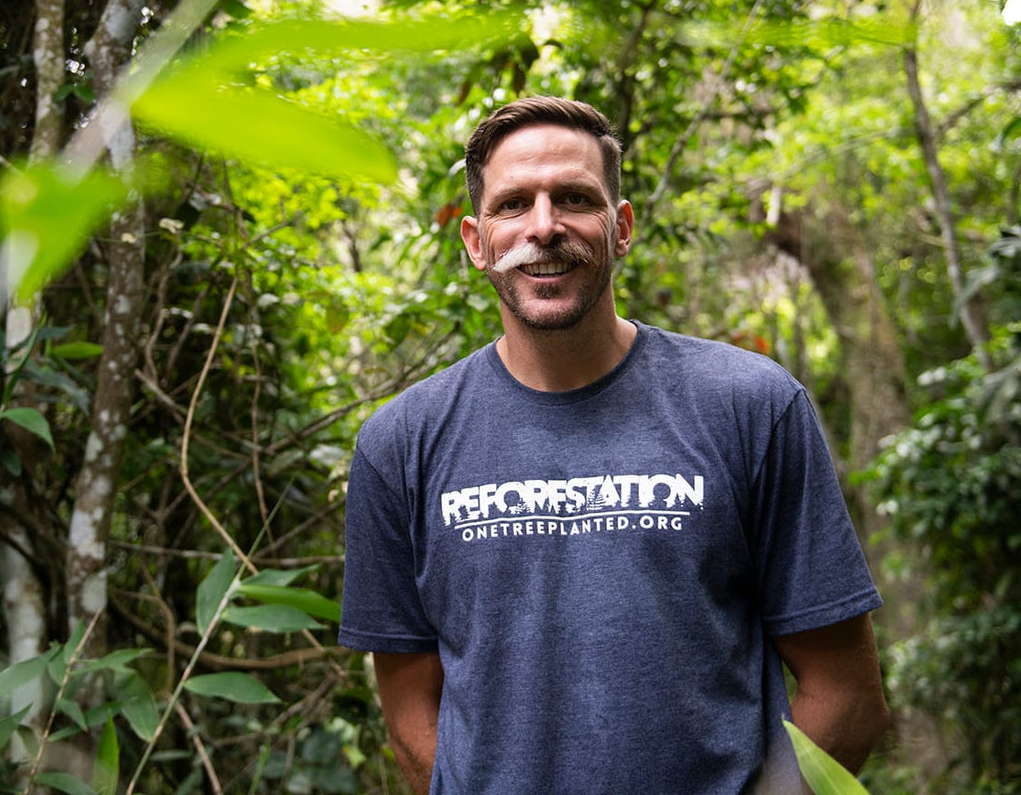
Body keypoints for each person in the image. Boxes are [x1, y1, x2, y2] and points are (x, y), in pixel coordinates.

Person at [339, 97, 890, 794]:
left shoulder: (751, 406)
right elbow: (411, 713)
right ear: (476, 243)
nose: (544, 227)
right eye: (513, 205)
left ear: (621, 227)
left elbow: (847, 695)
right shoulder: (400, 445)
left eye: (573, 198)